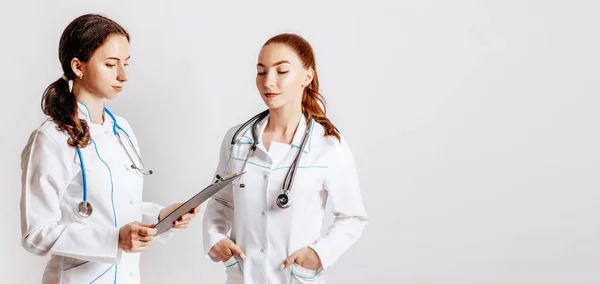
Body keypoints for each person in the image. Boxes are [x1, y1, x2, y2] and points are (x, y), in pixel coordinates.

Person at [20, 14, 199, 284]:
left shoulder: (122, 129)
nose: (124, 76)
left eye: (125, 64)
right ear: (79, 66)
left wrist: (162, 215)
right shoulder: (51, 138)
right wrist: (114, 239)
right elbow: (36, 234)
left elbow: (117, 206)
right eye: (111, 64)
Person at [203, 33, 369, 284]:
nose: (269, 82)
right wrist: (215, 238)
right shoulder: (238, 139)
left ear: (307, 76)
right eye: (261, 72)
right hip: (243, 276)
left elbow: (353, 216)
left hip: (294, 277)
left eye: (282, 71)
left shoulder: (328, 145)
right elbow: (220, 200)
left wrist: (318, 255)